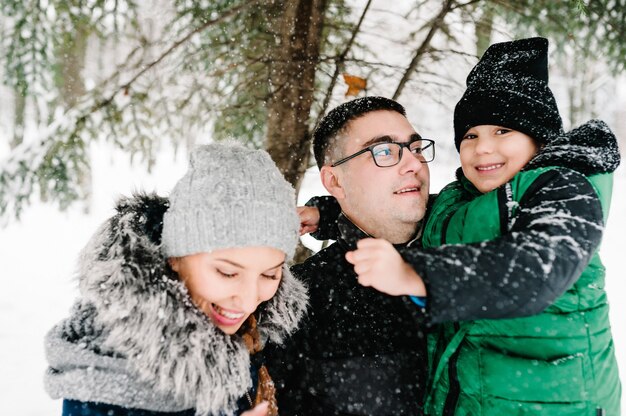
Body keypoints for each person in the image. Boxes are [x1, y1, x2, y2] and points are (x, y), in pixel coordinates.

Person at [344, 37, 622, 415]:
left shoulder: (564, 188)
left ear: (538, 139)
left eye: (503, 132)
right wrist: (331, 213)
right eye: (471, 135)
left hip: (557, 402)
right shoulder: (462, 198)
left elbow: (538, 268)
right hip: (473, 397)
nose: (483, 148)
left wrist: (418, 274)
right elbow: (412, 213)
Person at [44, 143, 308, 416]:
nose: (249, 299)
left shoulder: (261, 333)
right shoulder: (110, 366)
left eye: (270, 274)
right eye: (227, 273)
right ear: (175, 257)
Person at [266, 96, 433, 415]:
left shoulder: (476, 248)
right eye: (384, 151)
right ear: (334, 180)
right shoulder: (301, 300)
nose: (413, 164)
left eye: (415, 148)